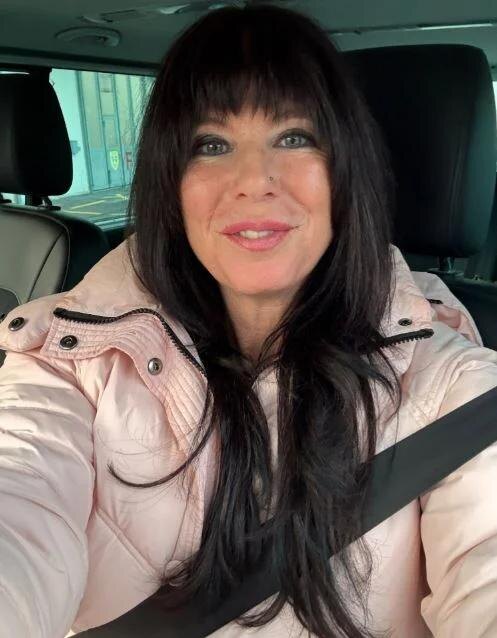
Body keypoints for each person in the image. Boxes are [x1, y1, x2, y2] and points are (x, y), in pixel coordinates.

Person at [0, 4, 496, 638]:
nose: (254, 180)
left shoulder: (452, 387)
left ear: (344, 171)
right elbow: (21, 484)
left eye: (294, 137)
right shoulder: (71, 359)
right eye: (211, 145)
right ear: (171, 185)